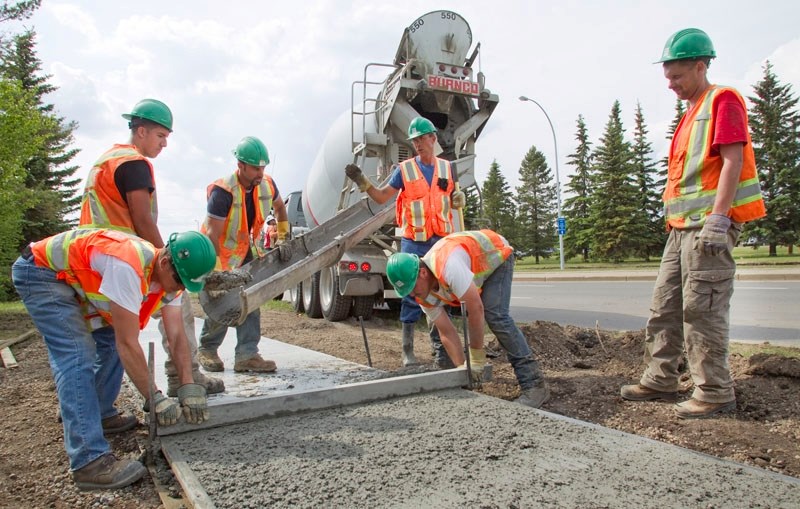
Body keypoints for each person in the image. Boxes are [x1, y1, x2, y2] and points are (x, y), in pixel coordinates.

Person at [620, 28, 766, 419]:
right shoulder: (690, 112)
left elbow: (732, 160)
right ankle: (660, 377)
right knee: (664, 308)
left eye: (677, 76)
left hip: (708, 227)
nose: (671, 85)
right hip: (681, 227)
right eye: (667, 78)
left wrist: (719, 218)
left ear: (701, 66)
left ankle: (714, 391)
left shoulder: (723, 100)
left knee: (703, 311)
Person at [11, 229, 216, 490]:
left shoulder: (172, 278)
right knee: (77, 354)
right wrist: (155, 398)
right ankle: (88, 462)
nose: (179, 288)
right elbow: (128, 344)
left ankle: (99, 413)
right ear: (165, 262)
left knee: (108, 341)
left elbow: (177, 338)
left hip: (71, 280)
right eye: (180, 281)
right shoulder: (128, 266)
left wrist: (188, 384)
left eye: (187, 285)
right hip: (41, 273)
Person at [79, 98, 224, 398]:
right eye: (161, 136)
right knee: (176, 308)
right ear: (141, 131)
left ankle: (89, 404)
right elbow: (142, 220)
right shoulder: (133, 163)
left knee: (105, 338)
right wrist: (168, 259)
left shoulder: (105, 160)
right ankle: (185, 377)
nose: (164, 144)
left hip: (94, 256)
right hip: (123, 257)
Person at [345, 116, 465, 368]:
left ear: (433, 138)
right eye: (415, 140)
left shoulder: (447, 168)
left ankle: (441, 352)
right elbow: (380, 198)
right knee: (412, 295)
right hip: (414, 242)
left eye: (422, 139)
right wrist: (363, 182)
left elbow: (452, 198)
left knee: (440, 295)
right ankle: (407, 351)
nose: (418, 144)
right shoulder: (404, 170)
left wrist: (458, 198)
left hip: (441, 242)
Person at [386, 229, 550, 408]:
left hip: (495, 255)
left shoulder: (448, 267)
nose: (411, 293)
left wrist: (476, 357)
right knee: (450, 325)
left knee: (495, 316)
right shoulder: (422, 294)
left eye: (412, 286)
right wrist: (463, 369)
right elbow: (446, 331)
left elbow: (476, 309)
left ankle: (535, 385)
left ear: (423, 273)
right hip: (470, 264)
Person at [197, 136, 290, 373]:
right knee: (223, 300)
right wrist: (215, 273)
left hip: (245, 249)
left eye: (263, 167)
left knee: (251, 297)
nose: (260, 173)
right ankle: (207, 349)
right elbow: (212, 234)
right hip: (219, 252)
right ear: (241, 166)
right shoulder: (223, 191)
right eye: (255, 168)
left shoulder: (267, 184)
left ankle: (247, 355)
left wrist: (282, 236)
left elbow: (280, 209)